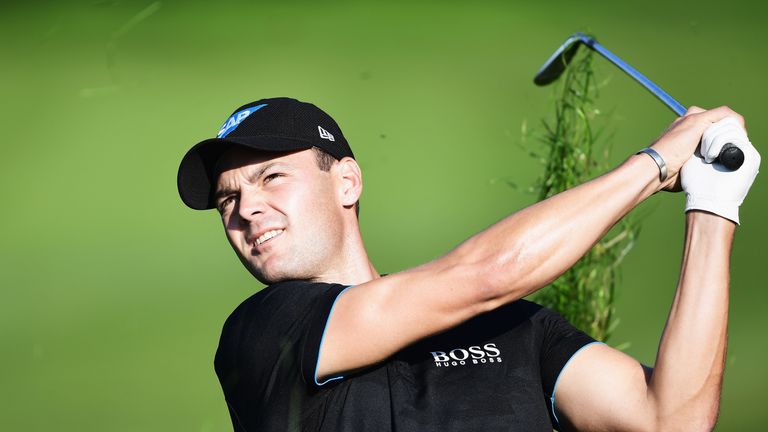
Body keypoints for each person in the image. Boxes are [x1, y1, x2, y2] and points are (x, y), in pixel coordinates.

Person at [177, 97, 760, 431]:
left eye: (270, 176)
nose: (246, 207)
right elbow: (487, 275)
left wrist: (712, 207)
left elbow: (672, 422)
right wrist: (656, 163)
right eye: (228, 198)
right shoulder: (264, 332)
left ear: (347, 182)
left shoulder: (519, 329)